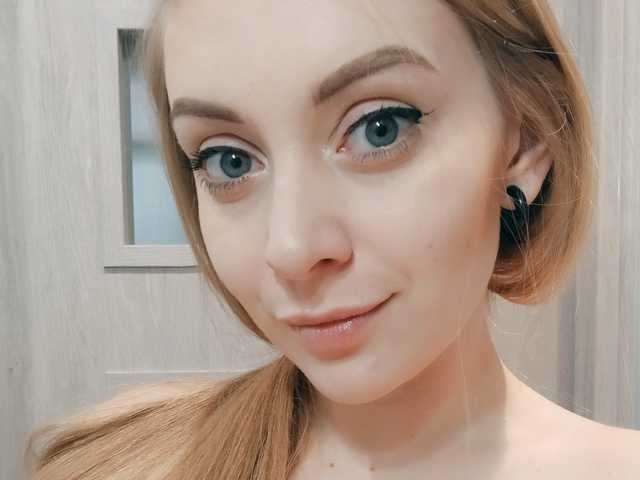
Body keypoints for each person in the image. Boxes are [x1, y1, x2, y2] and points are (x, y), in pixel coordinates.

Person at [25, 0, 640, 478]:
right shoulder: (107, 467)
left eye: (379, 128)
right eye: (228, 161)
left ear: (525, 143)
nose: (292, 250)